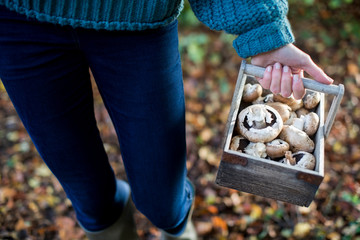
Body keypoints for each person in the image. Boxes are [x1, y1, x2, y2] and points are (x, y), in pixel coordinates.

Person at [0, 1, 333, 239]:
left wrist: (261, 28)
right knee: (89, 197)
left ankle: (176, 227)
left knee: (163, 200)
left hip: (138, 20)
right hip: (19, 23)